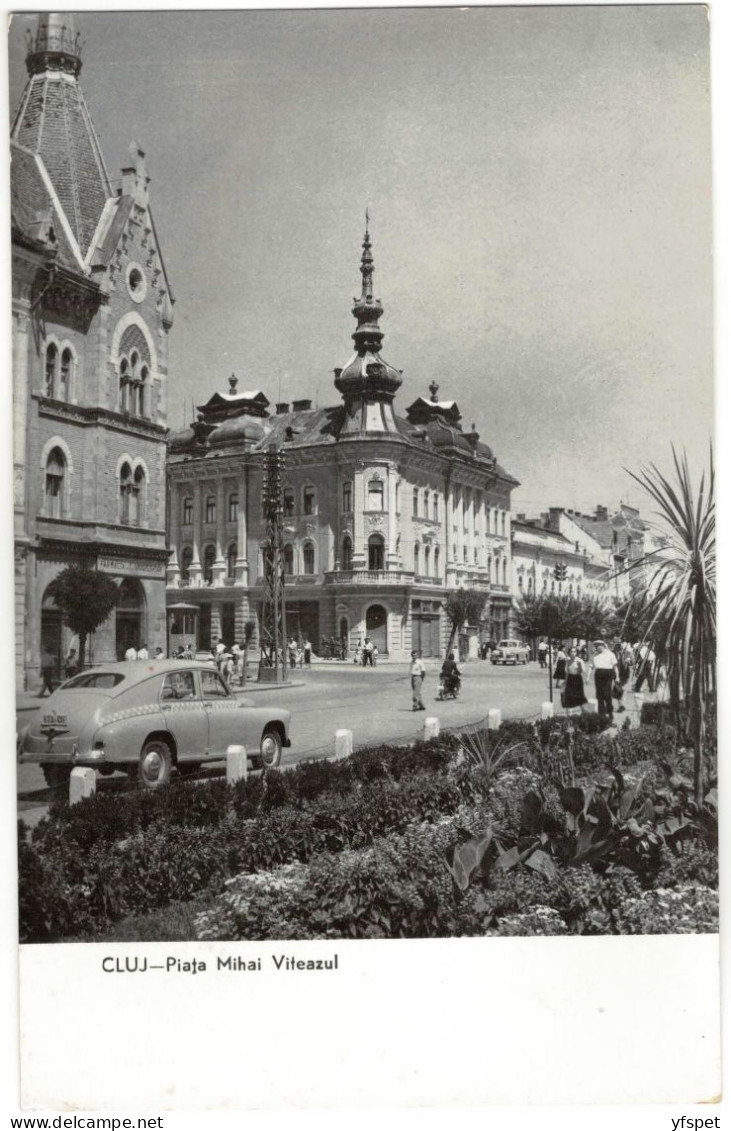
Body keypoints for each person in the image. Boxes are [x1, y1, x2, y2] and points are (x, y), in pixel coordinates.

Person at [592, 639, 619, 721]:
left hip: (608, 674)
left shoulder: (610, 654)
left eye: (598, 646)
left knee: (607, 694)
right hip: (598, 674)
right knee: (599, 696)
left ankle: (610, 713)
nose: (597, 648)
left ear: (603, 646)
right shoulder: (595, 655)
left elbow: (615, 666)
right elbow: (592, 666)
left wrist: (617, 677)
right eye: (596, 646)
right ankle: (602, 714)